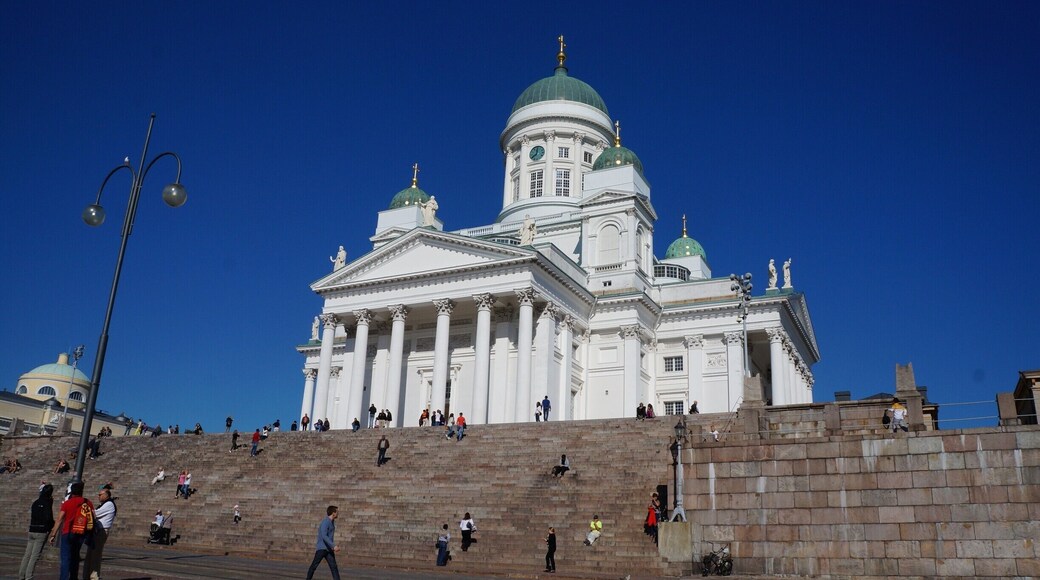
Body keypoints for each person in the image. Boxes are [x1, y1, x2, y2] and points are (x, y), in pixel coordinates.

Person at [49, 481, 94, 580]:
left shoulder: (67, 503)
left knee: (65, 559)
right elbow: (92, 517)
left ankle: (64, 578)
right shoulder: (88, 503)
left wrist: (53, 534)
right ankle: (73, 577)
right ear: (81, 491)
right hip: (81, 532)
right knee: (75, 557)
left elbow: (60, 519)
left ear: (71, 492)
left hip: (67, 533)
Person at [18, 483, 54, 580]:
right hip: (41, 531)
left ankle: (21, 575)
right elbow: (48, 518)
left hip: (32, 529)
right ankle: (29, 576)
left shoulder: (35, 502)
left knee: (27, 554)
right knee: (35, 556)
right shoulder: (47, 503)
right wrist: (52, 527)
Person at [84, 486, 117, 580]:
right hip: (97, 531)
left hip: (101, 531)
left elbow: (95, 514)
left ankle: (94, 576)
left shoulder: (109, 504)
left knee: (95, 554)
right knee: (90, 554)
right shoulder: (105, 504)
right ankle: (88, 575)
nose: (98, 496)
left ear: (106, 495)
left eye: (100, 494)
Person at [306, 506, 341, 580]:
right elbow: (324, 536)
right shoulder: (326, 522)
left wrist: (332, 546)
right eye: (337, 512)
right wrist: (334, 546)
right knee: (314, 566)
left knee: (334, 567)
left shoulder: (332, 522)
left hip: (329, 549)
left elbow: (329, 537)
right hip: (322, 548)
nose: (338, 513)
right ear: (333, 513)